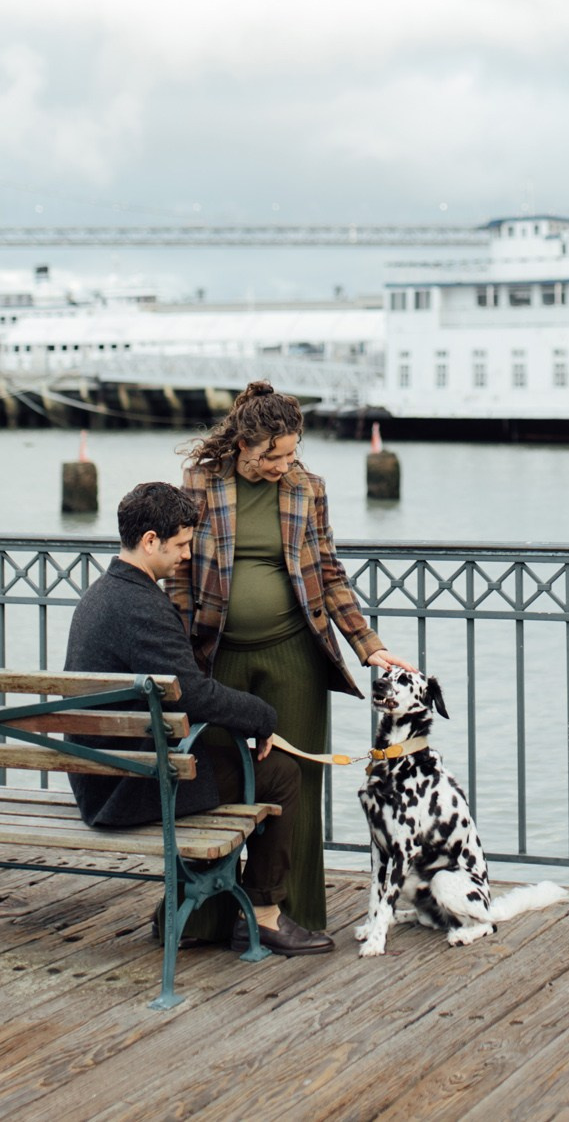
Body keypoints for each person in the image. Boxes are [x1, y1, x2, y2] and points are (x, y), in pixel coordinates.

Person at [175, 382, 413, 938]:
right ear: (244, 445)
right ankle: (205, 915)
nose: (285, 464)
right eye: (273, 455)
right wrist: (182, 652)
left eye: (291, 452)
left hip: (295, 654)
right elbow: (182, 578)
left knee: (299, 785)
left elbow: (328, 574)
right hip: (216, 658)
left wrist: (369, 646)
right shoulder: (201, 484)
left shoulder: (308, 488)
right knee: (215, 783)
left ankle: (291, 913)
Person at [63, 480, 332, 956]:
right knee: (281, 774)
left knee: (225, 761)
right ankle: (264, 917)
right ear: (150, 541)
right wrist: (263, 718)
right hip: (126, 789)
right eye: (182, 545)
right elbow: (194, 695)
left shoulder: (102, 595)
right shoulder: (141, 607)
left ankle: (198, 905)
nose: (188, 556)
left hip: (102, 772)